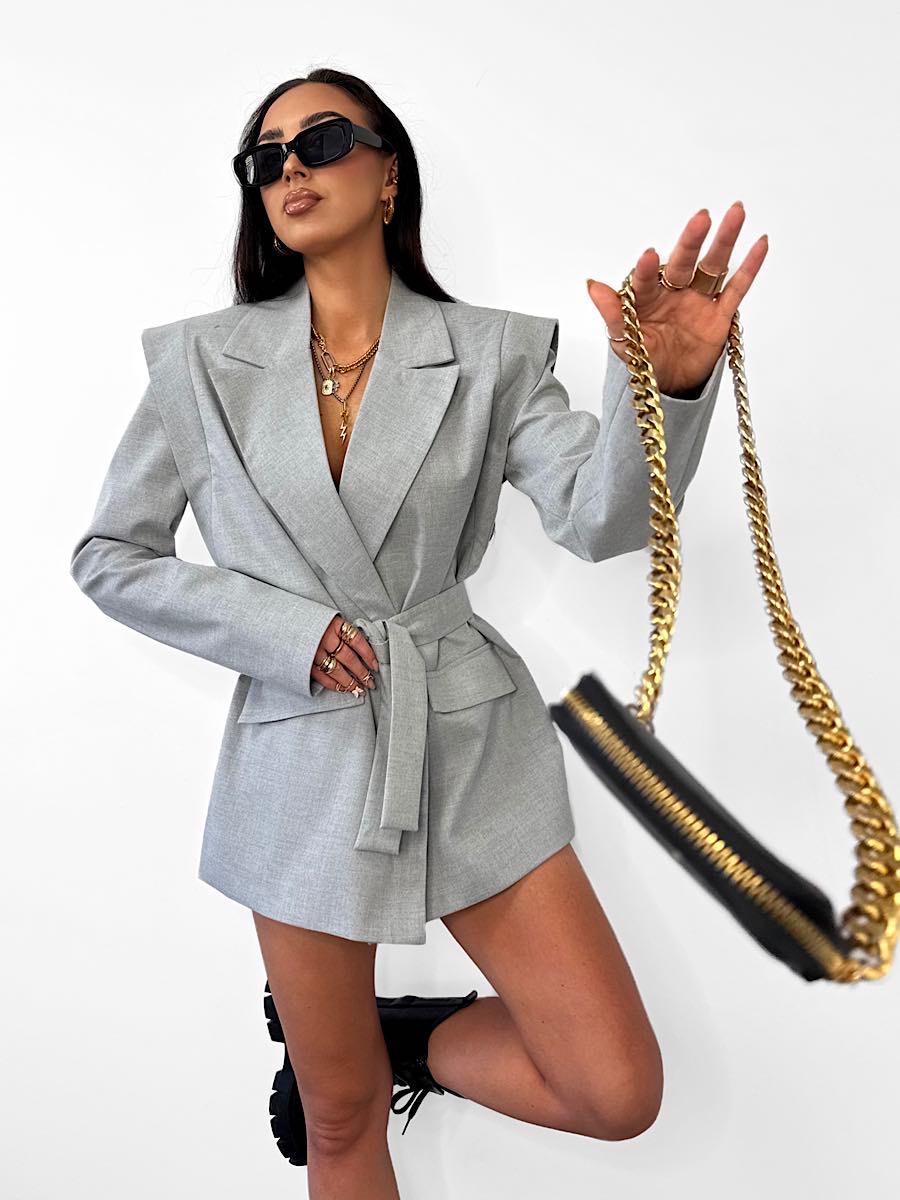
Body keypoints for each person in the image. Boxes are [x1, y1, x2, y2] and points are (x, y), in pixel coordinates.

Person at [69, 67, 766, 1198]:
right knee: (340, 1118)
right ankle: (356, 1062)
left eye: (321, 140)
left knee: (615, 1089)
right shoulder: (197, 364)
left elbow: (602, 521)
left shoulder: (493, 353)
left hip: (466, 736)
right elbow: (112, 554)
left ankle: (412, 1038)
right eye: (265, 158)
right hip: (299, 750)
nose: (288, 169)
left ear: (389, 175)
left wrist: (664, 391)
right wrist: (284, 632)